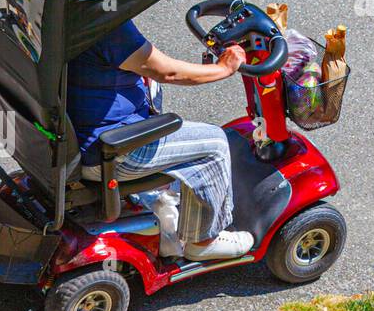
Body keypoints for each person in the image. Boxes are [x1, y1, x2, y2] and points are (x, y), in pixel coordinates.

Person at [67, 19, 253, 261]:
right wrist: (224, 68)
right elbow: (168, 71)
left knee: (151, 87)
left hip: (76, 132)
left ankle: (165, 207)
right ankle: (203, 240)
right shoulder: (106, 24)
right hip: (110, 151)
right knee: (215, 144)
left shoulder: (62, 9)